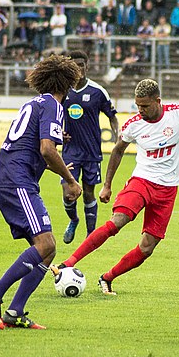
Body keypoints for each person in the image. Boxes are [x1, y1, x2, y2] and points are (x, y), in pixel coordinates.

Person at [51, 79, 179, 295]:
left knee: (147, 247)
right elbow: (118, 150)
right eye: (137, 105)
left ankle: (107, 278)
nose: (140, 110)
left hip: (168, 190)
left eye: (144, 105)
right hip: (142, 181)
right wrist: (107, 185)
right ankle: (67, 263)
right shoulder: (134, 124)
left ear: (157, 101)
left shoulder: (178, 113)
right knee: (118, 221)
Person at [0, 55, 83, 330]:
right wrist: (70, 180)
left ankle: (15, 312)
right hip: (17, 183)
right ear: (66, 83)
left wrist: (54, 165)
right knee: (46, 245)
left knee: (48, 250)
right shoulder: (53, 105)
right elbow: (47, 149)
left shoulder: (34, 103)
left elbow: (28, 148)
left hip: (12, 180)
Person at [61, 50, 119, 244]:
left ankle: (91, 234)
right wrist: (58, 132)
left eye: (81, 65)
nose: (79, 69)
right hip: (70, 150)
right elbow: (53, 114)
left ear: (87, 66)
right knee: (69, 193)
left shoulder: (97, 91)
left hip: (91, 151)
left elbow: (112, 116)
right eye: (75, 65)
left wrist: (117, 136)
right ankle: (73, 220)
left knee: (88, 193)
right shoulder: (63, 90)